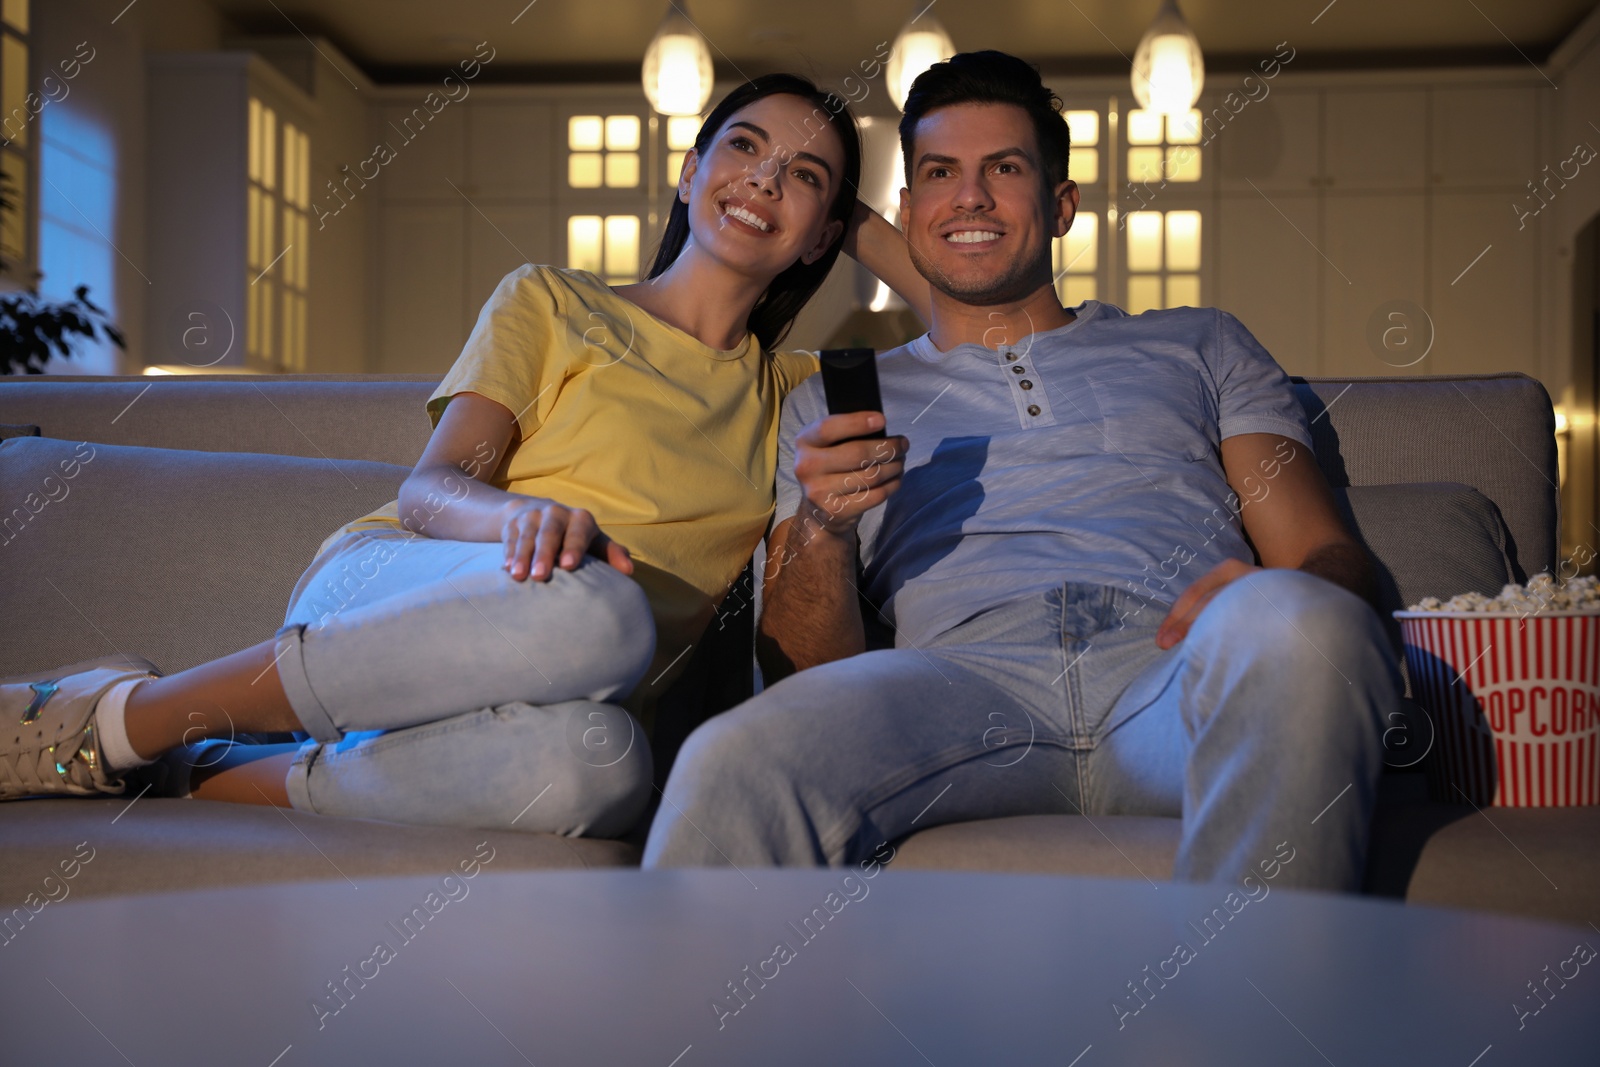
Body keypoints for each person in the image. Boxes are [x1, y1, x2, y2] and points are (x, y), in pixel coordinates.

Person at [1, 74, 864, 839]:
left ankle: (212, 776)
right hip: (397, 585)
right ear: (688, 169)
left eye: (803, 175)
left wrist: (848, 210)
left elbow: (971, 307)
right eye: (744, 147)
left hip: (565, 695)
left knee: (608, 771)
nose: (764, 178)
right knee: (607, 609)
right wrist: (518, 519)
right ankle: (122, 721)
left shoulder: (793, 394)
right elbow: (432, 490)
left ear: (825, 237)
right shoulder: (555, 300)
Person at [644, 51, 1402, 891]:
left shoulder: (1201, 343)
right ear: (909, 208)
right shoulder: (829, 401)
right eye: (940, 173)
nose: (969, 196)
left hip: (1168, 670)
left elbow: (1325, 560)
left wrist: (1266, 604)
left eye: (1003, 168)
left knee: (1308, 624)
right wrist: (824, 525)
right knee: (731, 755)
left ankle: (1252, 1015)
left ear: (1061, 204)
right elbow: (803, 676)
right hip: (955, 686)